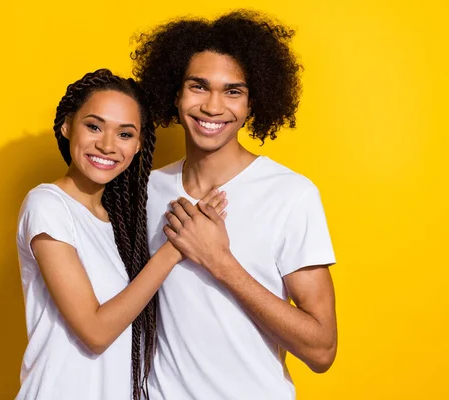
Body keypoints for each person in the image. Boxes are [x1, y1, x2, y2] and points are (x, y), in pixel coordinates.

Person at [131, 10, 337, 400]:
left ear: (251, 103)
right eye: (198, 86)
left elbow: (322, 350)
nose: (212, 106)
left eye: (232, 91)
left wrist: (220, 261)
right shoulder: (146, 190)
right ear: (175, 94)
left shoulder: (290, 194)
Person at [15, 69, 226, 400]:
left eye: (125, 134)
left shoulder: (120, 225)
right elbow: (95, 332)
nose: (108, 145)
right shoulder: (47, 205)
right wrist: (178, 247)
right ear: (67, 125)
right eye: (94, 126)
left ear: (139, 144)